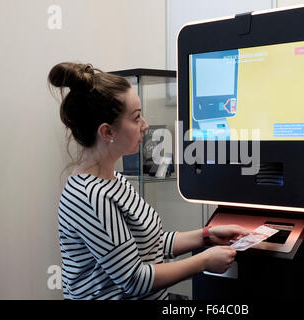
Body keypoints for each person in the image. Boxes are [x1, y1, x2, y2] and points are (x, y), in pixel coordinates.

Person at [48, 62, 248, 300]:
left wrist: (207, 235)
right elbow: (135, 280)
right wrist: (203, 261)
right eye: (136, 118)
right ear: (107, 132)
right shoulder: (90, 198)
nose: (145, 125)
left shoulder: (116, 181)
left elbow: (149, 244)